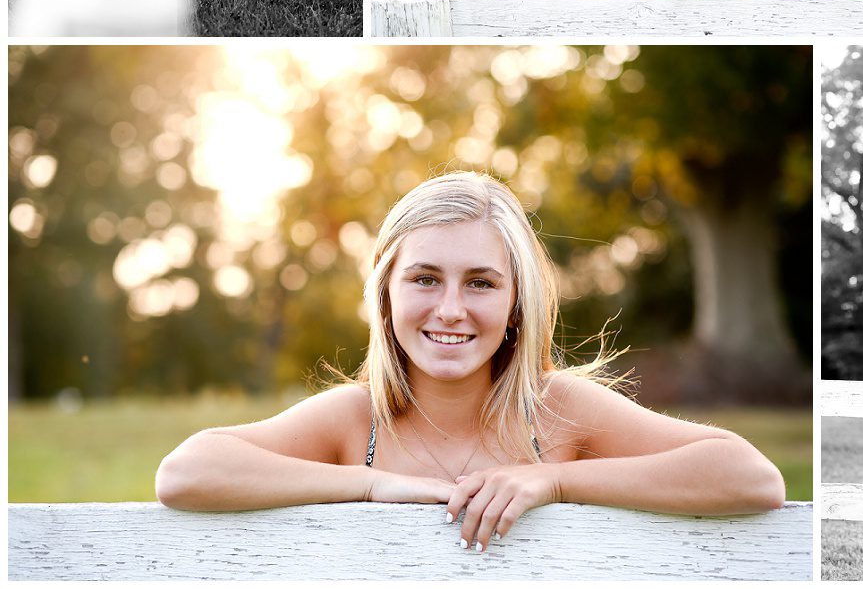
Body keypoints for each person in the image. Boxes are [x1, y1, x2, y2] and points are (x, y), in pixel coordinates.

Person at [154, 172, 785, 551]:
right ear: (386, 293)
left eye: (481, 283)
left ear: (517, 301)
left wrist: (554, 482)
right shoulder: (356, 421)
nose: (451, 309)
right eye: (425, 279)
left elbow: (751, 478)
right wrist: (371, 486)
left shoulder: (557, 410)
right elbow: (186, 473)